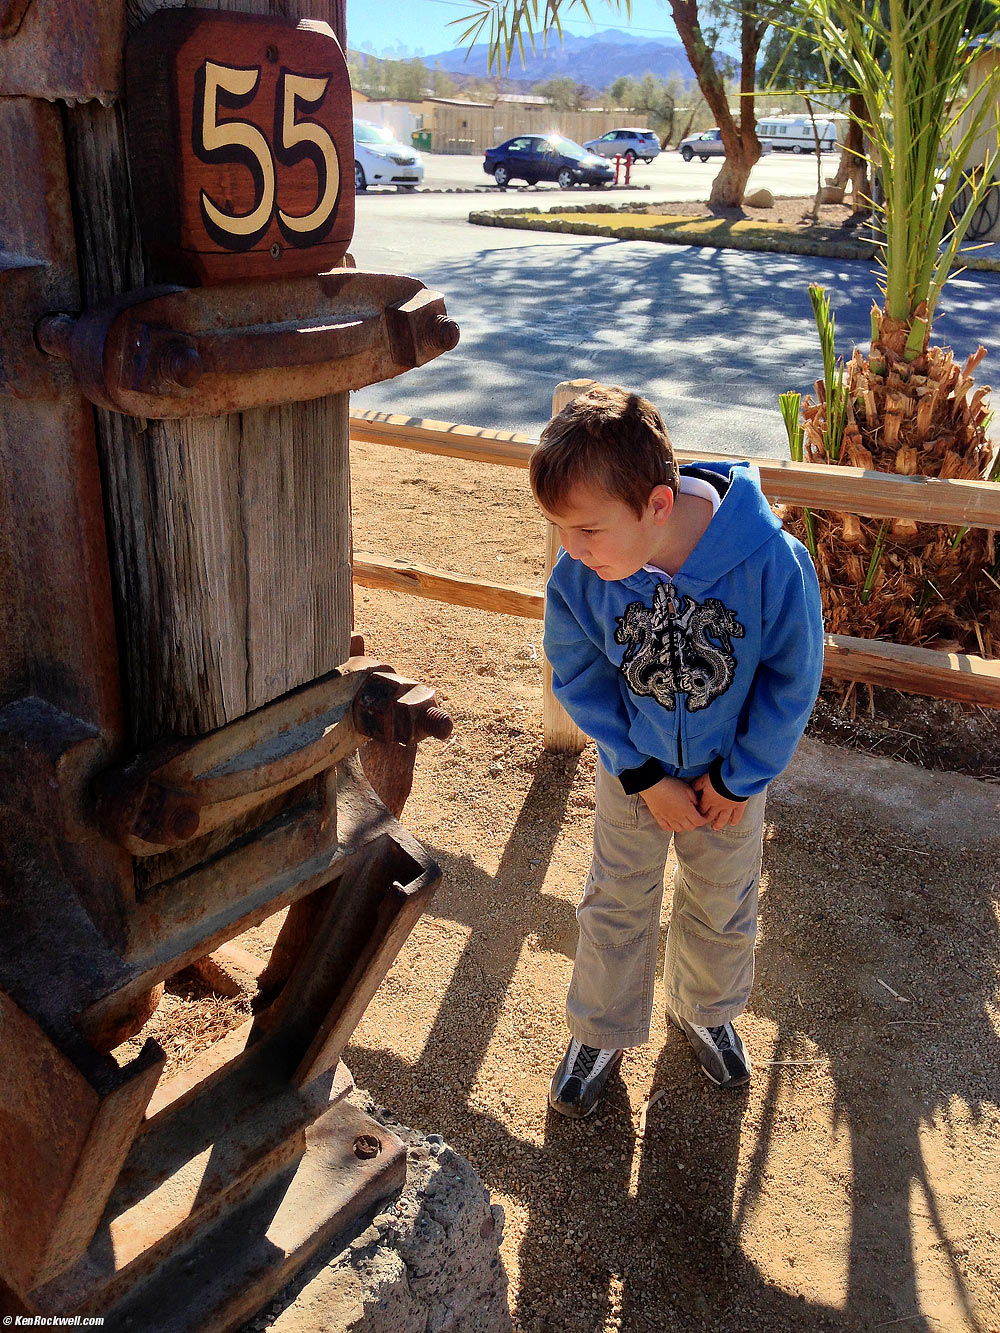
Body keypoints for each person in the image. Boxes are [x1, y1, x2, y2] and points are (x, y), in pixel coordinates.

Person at [531, 385, 824, 1118]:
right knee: (615, 901)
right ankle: (599, 1030)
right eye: (561, 529)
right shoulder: (582, 577)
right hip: (634, 773)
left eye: (589, 530)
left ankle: (705, 1007)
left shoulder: (772, 563)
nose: (572, 548)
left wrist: (739, 776)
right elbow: (579, 672)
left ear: (658, 505)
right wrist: (641, 770)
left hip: (732, 782)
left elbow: (793, 677)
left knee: (724, 904)